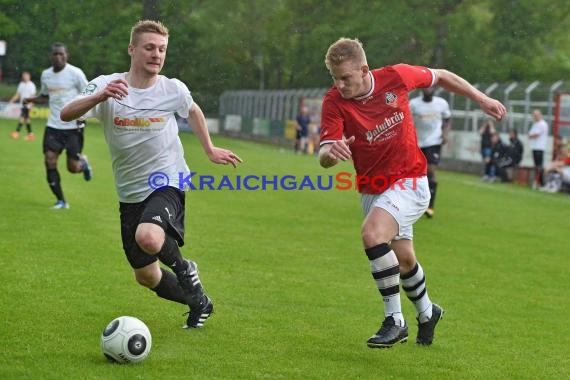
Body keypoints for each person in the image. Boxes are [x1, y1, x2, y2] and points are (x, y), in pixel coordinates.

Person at [319, 38, 506, 348]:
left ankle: (395, 320)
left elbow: (442, 75)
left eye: (346, 78)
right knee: (403, 261)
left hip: (410, 180)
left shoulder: (397, 77)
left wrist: (480, 98)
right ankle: (427, 312)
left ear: (364, 69)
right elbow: (325, 153)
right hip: (372, 188)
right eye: (335, 78)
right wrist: (330, 152)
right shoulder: (334, 101)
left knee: (372, 235)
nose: (340, 85)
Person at [61, 20, 242, 329]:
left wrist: (209, 150)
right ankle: (198, 301)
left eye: (162, 49)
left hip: (168, 178)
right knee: (146, 276)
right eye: (149, 48)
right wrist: (100, 97)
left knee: (148, 236)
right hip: (129, 192)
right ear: (132, 49)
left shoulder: (172, 89)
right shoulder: (108, 84)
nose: (156, 55)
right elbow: (67, 113)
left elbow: (193, 109)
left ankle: (186, 271)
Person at [23, 43, 92, 209]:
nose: (58, 57)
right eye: (55, 54)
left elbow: (90, 93)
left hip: (73, 127)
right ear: (51, 56)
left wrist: (82, 118)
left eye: (61, 54)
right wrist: (32, 99)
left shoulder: (75, 73)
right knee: (49, 161)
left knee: (72, 168)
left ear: (67, 55)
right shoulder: (46, 75)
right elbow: (46, 96)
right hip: (53, 126)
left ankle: (83, 163)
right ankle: (61, 200)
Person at [409, 86, 451, 218]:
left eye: (431, 87)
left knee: (431, 170)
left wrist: (445, 134)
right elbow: (407, 121)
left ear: (434, 89)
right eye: (426, 87)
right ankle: (416, 202)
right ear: (422, 89)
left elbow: (447, 119)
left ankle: (430, 206)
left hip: (434, 141)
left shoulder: (441, 103)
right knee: (416, 173)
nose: (428, 89)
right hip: (417, 142)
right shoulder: (414, 104)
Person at [9, 71, 37, 141]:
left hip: (27, 105)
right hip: (22, 105)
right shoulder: (21, 84)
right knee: (26, 119)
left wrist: (32, 105)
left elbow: (33, 96)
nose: (25, 77)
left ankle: (17, 132)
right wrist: (12, 100)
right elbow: (18, 94)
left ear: (29, 76)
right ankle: (30, 134)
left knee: (22, 118)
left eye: (26, 76)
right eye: (24, 76)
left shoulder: (31, 85)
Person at [528, 109, 548, 189]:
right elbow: (530, 134)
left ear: (540, 115)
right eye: (534, 115)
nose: (535, 117)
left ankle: (541, 183)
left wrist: (531, 135)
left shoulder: (542, 124)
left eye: (536, 115)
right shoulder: (535, 124)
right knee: (536, 166)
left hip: (540, 147)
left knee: (539, 166)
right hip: (535, 147)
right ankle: (538, 182)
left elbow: (534, 135)